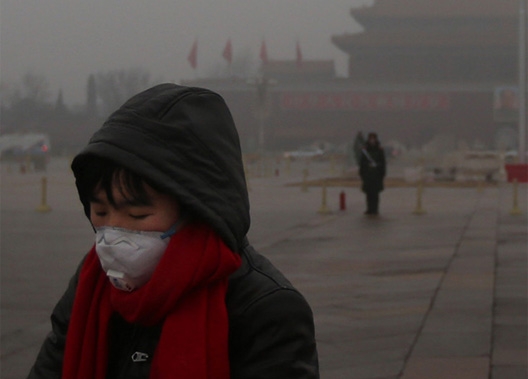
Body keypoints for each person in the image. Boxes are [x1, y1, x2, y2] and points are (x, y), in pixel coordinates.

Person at [27, 84, 319, 378]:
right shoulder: (92, 282)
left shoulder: (265, 310)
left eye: (137, 214)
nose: (113, 231)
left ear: (197, 210)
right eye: (101, 212)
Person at [359, 132, 386, 215]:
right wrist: (363, 173)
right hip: (368, 175)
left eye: (373, 139)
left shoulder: (379, 150)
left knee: (375, 194)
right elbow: (362, 163)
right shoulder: (365, 151)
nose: (372, 140)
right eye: (371, 139)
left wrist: (381, 172)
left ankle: (375, 209)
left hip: (376, 175)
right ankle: (369, 209)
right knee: (368, 194)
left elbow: (383, 162)